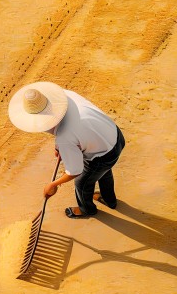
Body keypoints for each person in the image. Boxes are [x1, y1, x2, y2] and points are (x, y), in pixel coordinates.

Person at [7, 81, 125, 218]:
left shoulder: (65, 138)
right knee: (103, 172)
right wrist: (59, 147)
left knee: (82, 182)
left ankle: (87, 210)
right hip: (114, 135)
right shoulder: (67, 96)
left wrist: (53, 184)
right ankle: (109, 200)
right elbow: (70, 128)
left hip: (102, 154)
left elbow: (75, 171)